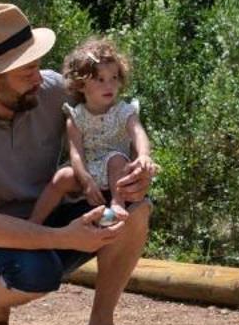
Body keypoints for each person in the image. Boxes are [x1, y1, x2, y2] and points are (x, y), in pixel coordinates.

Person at [0, 2, 158, 325]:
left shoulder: (49, 91)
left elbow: (110, 119)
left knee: (136, 209)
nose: (40, 77)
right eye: (28, 71)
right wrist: (65, 237)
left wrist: (134, 173)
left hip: (49, 214)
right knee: (38, 273)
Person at [30, 37, 152, 225]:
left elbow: (138, 133)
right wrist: (86, 181)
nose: (109, 85)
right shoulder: (76, 116)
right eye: (100, 80)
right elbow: (76, 153)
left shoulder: (124, 111)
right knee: (61, 177)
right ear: (81, 85)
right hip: (87, 171)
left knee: (116, 159)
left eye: (114, 78)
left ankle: (117, 203)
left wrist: (143, 155)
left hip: (117, 170)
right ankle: (34, 222)